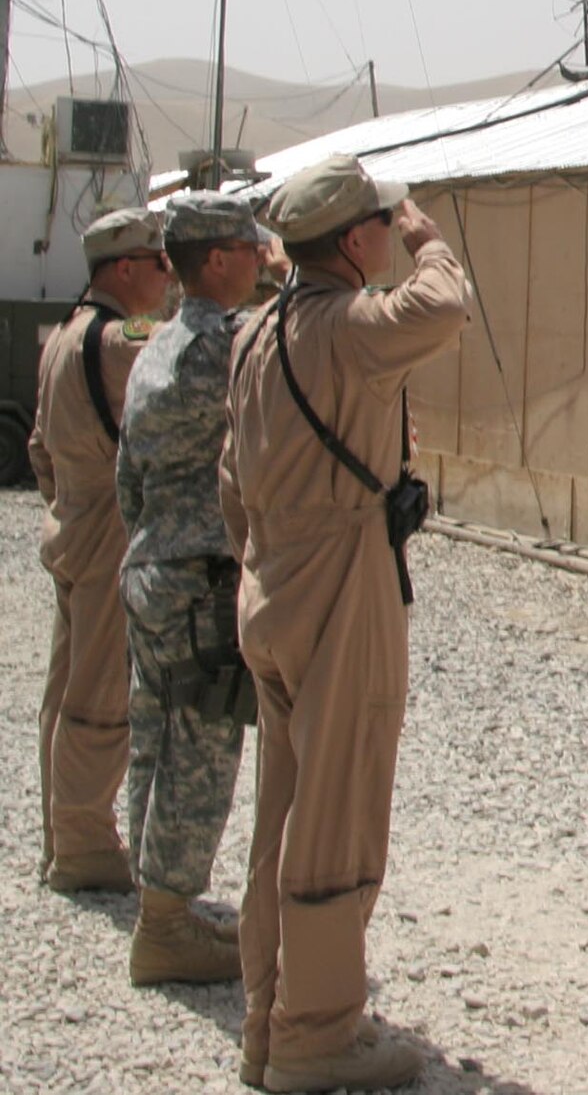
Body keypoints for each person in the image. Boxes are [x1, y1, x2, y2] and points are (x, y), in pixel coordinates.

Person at [221, 155, 469, 1093]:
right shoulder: (349, 325)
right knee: (338, 808)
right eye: (378, 225)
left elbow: (229, 475)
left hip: (272, 578)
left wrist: (264, 553)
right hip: (340, 580)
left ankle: (266, 1018)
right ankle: (317, 1035)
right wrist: (428, 234)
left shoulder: (256, 333)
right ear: (355, 239)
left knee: (281, 809)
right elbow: (443, 306)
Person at [116, 192, 266, 986]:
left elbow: (128, 478)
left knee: (154, 735)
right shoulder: (227, 346)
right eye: (248, 247)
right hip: (201, 576)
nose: (258, 257)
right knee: (202, 747)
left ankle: (155, 902)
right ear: (217, 259)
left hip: (148, 564)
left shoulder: (153, 346)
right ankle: (167, 928)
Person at [29, 206, 170, 893]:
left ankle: (63, 832)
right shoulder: (118, 336)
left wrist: (67, 500)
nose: (168, 277)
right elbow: (174, 340)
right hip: (105, 530)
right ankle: (83, 842)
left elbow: (37, 446)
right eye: (159, 263)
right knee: (98, 690)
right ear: (123, 268)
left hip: (73, 523)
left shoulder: (62, 335)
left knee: (65, 684)